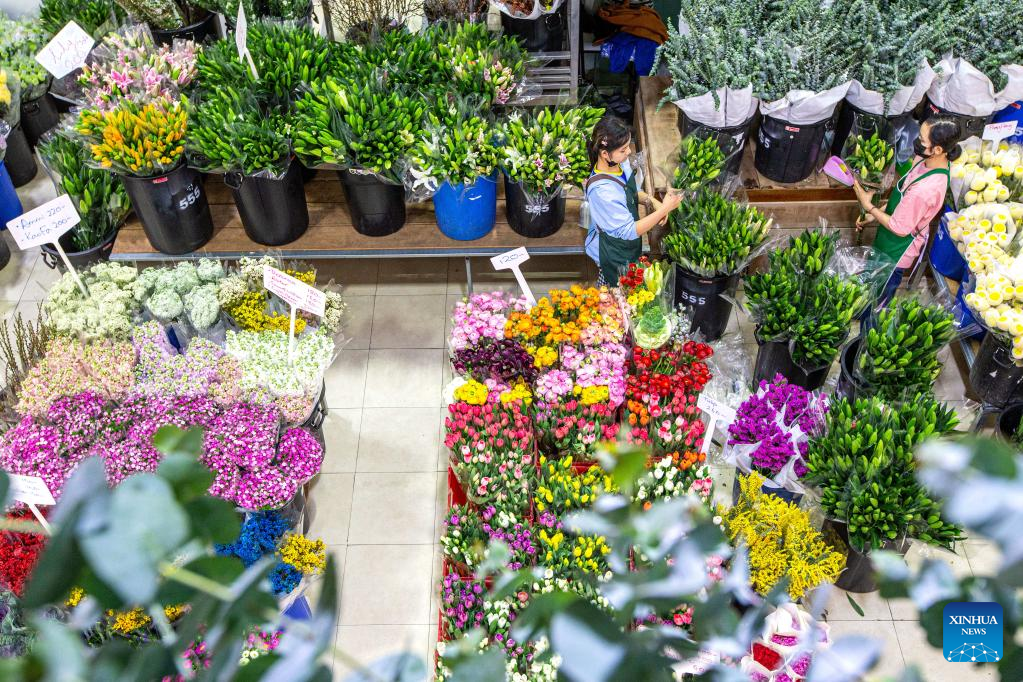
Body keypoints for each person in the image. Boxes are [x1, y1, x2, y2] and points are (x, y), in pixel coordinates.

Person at [853, 118, 961, 309]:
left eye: (922, 139)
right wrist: (874, 214)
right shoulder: (926, 160)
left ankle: (868, 325)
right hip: (887, 238)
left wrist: (868, 206)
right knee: (869, 289)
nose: (916, 142)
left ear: (937, 149)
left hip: (897, 251)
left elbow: (900, 227)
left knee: (877, 302)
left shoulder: (926, 190)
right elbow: (904, 201)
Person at [585, 116, 683, 285]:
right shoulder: (602, 192)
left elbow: (632, 191)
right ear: (605, 154)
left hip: (626, 246)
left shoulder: (619, 163)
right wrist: (665, 209)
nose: (629, 152)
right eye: (623, 150)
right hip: (612, 251)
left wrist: (651, 201)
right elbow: (629, 230)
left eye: (628, 146)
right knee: (614, 290)